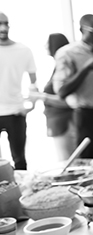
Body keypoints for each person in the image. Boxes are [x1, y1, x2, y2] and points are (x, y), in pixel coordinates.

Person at [53, 14, 93, 172]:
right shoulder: (68, 54)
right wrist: (86, 69)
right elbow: (61, 91)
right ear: (81, 30)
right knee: (87, 167)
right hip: (85, 117)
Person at [0, 11, 37, 170]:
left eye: (5, 23)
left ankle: (23, 193)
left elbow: (33, 81)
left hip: (16, 112)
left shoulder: (23, 50)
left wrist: (31, 104)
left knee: (20, 159)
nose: (3, 27)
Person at [43, 33, 76, 161]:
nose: (45, 46)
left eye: (48, 42)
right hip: (58, 124)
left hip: (65, 122)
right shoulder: (57, 67)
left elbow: (68, 101)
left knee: (68, 163)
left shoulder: (64, 68)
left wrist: (43, 97)